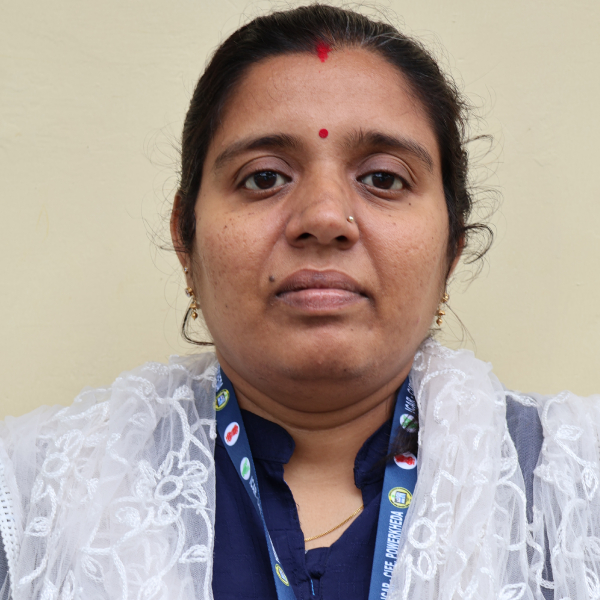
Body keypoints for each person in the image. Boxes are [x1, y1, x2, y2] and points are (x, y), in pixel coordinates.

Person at [0, 5, 598, 600]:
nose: (324, 218)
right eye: (264, 177)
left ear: (452, 247)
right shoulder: (30, 497)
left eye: (383, 178)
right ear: (186, 237)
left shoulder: (574, 487)